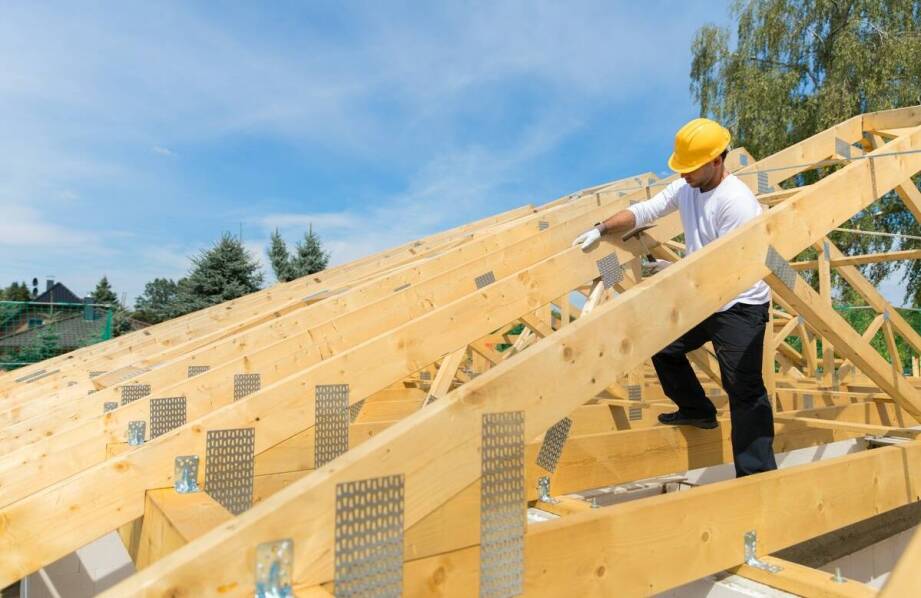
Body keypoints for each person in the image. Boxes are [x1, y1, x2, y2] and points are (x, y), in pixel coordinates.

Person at [572, 118, 776, 477]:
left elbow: (728, 267)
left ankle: (756, 474)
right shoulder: (687, 189)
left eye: (690, 168)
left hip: (739, 302)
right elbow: (645, 211)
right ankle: (697, 410)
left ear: (716, 160)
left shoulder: (736, 202)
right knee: (662, 345)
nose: (683, 175)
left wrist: (673, 272)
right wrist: (600, 228)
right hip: (703, 295)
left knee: (743, 388)